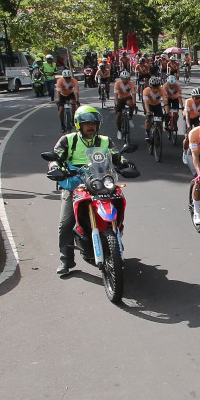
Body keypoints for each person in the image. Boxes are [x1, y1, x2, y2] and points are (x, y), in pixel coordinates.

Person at [49, 105, 134, 276]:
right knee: (66, 222)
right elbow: (56, 157)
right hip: (75, 184)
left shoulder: (105, 141)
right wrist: (55, 167)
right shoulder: (68, 140)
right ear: (78, 125)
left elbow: (116, 156)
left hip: (101, 182)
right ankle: (66, 259)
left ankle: (114, 241)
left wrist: (126, 164)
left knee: (118, 205)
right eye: (87, 124)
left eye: (94, 124)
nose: (91, 127)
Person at [140, 76, 167, 141]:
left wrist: (167, 112)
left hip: (157, 105)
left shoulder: (162, 90)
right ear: (150, 87)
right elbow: (146, 103)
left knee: (160, 121)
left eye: (157, 88)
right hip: (149, 105)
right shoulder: (146, 91)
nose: (155, 90)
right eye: (153, 88)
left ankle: (159, 135)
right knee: (148, 118)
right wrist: (148, 112)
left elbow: (165, 102)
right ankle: (147, 132)